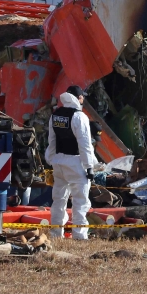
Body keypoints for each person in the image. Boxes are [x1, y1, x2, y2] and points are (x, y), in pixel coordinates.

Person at [45, 85, 96, 240]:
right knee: (80, 201)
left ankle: (55, 234)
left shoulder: (55, 115)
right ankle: (80, 236)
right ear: (79, 97)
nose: (83, 99)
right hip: (75, 162)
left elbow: (51, 141)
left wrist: (51, 160)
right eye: (82, 97)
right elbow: (85, 144)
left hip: (58, 162)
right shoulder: (79, 117)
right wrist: (89, 167)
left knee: (59, 200)